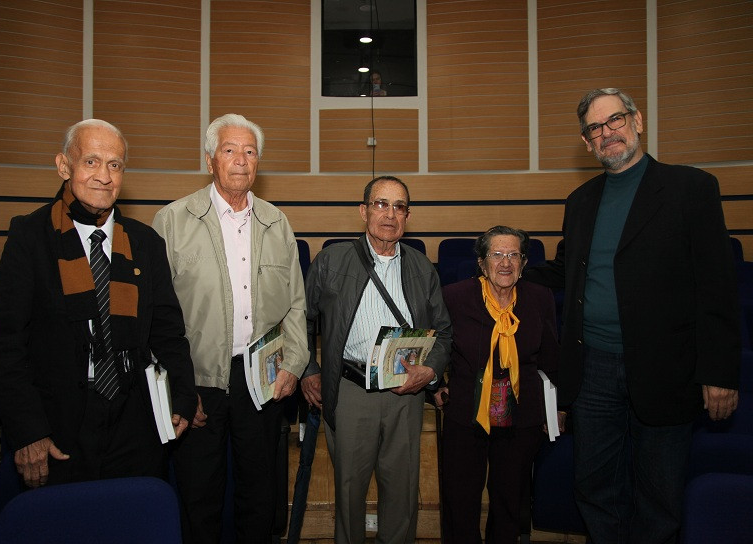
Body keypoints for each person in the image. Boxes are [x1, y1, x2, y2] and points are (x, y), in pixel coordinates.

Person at [523, 88, 740, 543]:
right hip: (593, 369)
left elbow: (717, 286)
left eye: (615, 120)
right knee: (595, 487)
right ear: (587, 143)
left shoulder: (692, 188)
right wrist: (505, 270)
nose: (607, 132)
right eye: (595, 128)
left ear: (637, 121)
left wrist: (719, 372)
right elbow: (567, 269)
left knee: (659, 495)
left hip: (667, 368)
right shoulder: (580, 201)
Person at [0, 119, 196, 489]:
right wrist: (28, 431)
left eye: (115, 165)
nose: (104, 176)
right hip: (57, 428)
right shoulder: (30, 237)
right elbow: (5, 344)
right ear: (63, 166)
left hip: (137, 424)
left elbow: (167, 332)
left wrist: (181, 399)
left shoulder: (145, 243)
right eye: (91, 162)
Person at [152, 113, 307, 544]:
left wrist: (293, 365)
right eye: (229, 150)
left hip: (262, 379)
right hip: (198, 380)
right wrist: (180, 388)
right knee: (199, 494)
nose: (241, 159)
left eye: (250, 151)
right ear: (210, 161)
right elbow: (156, 316)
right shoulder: (172, 221)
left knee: (259, 492)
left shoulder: (277, 222)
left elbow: (296, 303)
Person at [302, 175, 451, 544]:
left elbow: (444, 333)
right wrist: (308, 369)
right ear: (363, 211)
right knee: (348, 491)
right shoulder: (331, 261)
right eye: (381, 204)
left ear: (407, 217)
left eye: (399, 207)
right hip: (351, 392)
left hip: (406, 395)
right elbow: (301, 320)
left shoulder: (422, 268)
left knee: (402, 492)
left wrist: (430, 370)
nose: (390, 214)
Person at [436, 226, 562, 543]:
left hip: (522, 415)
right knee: (460, 498)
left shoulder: (539, 298)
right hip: (466, 412)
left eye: (513, 255)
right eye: (496, 255)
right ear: (482, 262)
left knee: (510, 499)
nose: (505, 263)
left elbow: (550, 355)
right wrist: (436, 385)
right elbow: (435, 347)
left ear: (524, 262)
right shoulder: (454, 297)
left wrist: (557, 408)